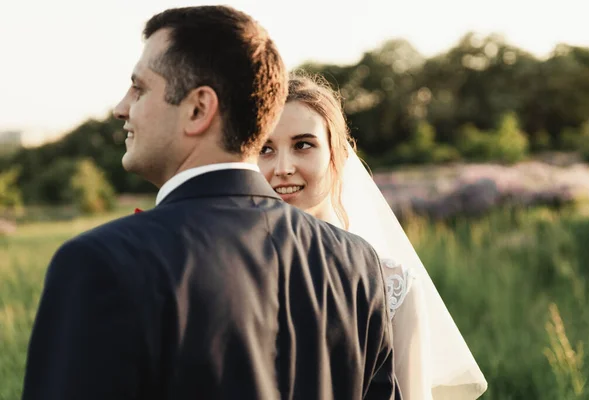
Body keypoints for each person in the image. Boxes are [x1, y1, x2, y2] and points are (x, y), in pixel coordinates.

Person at [22, 7, 400, 400]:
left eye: (139, 89)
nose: (121, 107)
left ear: (199, 109)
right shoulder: (355, 262)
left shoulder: (101, 263)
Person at [258, 72, 488, 400]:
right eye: (266, 148)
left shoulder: (392, 284)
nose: (282, 166)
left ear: (336, 154)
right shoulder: (236, 273)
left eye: (303, 145)